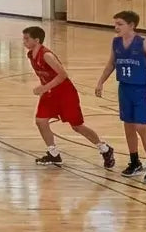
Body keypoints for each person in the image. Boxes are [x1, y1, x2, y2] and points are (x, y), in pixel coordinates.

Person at [23, 26, 114, 168]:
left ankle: (105, 149)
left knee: (77, 126)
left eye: (27, 38)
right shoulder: (31, 55)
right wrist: (46, 89)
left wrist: (44, 88)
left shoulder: (46, 55)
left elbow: (63, 75)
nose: (24, 41)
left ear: (37, 40)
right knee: (41, 121)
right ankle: (53, 154)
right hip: (50, 93)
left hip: (65, 93)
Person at [95, 10, 146, 183]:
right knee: (128, 126)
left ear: (131, 25)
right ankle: (135, 161)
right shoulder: (116, 42)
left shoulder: (143, 43)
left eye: (120, 24)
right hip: (124, 88)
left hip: (142, 89)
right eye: (115, 24)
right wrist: (101, 81)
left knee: (141, 127)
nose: (116, 27)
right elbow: (111, 63)